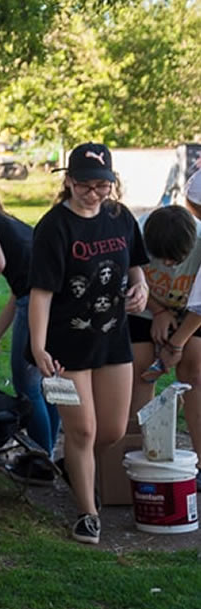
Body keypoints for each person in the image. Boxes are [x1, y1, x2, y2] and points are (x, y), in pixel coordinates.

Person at [28, 143, 149, 545]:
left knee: (110, 430)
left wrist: (141, 287)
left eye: (102, 185)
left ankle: (73, 465)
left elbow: (136, 266)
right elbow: (41, 293)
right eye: (84, 184)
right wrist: (39, 347)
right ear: (68, 181)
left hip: (113, 337)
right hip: (67, 343)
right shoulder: (54, 227)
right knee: (82, 431)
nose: (94, 193)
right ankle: (87, 512)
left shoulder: (120, 217)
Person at [0, 190, 60, 483]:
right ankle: (48, 453)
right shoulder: (15, 226)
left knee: (26, 383)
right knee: (46, 383)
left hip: (35, 303)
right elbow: (16, 295)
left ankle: (41, 459)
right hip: (53, 301)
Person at [144, 172, 201, 489]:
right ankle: (142, 451)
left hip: (194, 312)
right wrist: (158, 311)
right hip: (147, 307)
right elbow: (130, 279)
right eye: (159, 259)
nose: (166, 264)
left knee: (194, 373)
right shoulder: (138, 233)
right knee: (142, 370)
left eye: (174, 259)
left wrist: (177, 343)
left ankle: (200, 461)